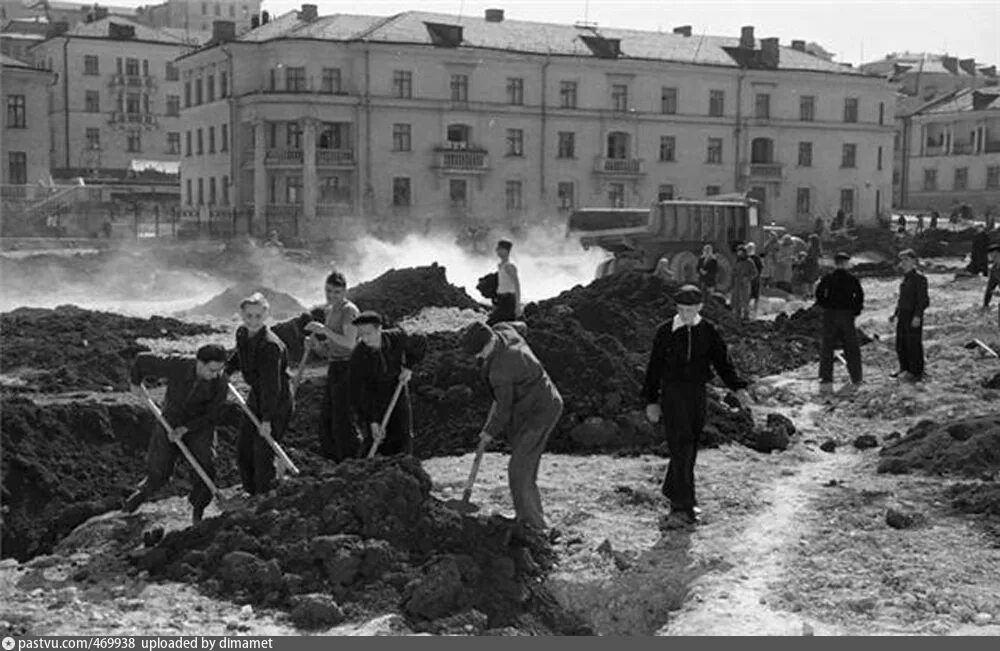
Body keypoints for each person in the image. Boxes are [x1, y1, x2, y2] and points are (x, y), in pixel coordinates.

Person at [642, 285, 752, 527]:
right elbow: (654, 368)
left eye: (690, 309)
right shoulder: (665, 332)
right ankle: (683, 505)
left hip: (697, 394)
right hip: (672, 394)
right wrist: (651, 401)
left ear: (700, 307)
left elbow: (723, 362)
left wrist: (738, 387)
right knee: (680, 444)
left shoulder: (708, 331)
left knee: (690, 445)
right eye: (681, 309)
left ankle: (674, 490)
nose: (686, 314)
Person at [459, 320, 563, 534]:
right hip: (534, 402)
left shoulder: (501, 370)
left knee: (519, 469)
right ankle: (530, 516)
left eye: (479, 353)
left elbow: (503, 409)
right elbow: (518, 325)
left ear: (488, 343)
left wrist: (488, 433)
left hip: (540, 413)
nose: (478, 358)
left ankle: (534, 527)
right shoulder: (502, 330)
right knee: (525, 467)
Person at [123, 345, 230, 524]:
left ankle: (198, 511)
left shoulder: (220, 382)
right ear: (199, 363)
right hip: (170, 419)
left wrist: (186, 428)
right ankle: (142, 494)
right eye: (212, 370)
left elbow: (213, 414)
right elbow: (142, 360)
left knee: (205, 465)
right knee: (159, 465)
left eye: (219, 370)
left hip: (199, 426)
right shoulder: (178, 365)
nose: (215, 375)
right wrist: (135, 382)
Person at [225, 293, 294, 495]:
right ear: (242, 315)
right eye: (249, 316)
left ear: (265, 315)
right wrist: (228, 369)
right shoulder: (242, 334)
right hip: (257, 396)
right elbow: (240, 355)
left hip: (277, 402)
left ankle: (264, 498)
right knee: (244, 449)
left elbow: (272, 386)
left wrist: (267, 419)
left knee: (262, 453)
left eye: (257, 316)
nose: (253, 321)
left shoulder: (270, 346)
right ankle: (251, 493)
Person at [349, 311, 428, 456]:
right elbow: (359, 391)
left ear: (379, 329)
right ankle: (374, 471)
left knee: (403, 433)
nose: (365, 339)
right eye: (361, 335)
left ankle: (404, 465)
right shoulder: (358, 356)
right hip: (373, 396)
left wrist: (409, 367)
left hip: (396, 387)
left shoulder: (396, 337)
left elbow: (420, 340)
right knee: (376, 438)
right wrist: (372, 420)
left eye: (368, 333)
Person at [304, 271, 362, 462]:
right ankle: (331, 459)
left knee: (342, 418)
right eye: (329, 291)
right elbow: (331, 347)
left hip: (349, 367)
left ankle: (350, 459)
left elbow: (349, 342)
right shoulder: (330, 311)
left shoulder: (348, 311)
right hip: (335, 366)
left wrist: (324, 330)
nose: (331, 295)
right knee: (328, 417)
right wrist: (316, 346)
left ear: (345, 292)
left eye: (337, 292)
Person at [815, 252, 864, 393]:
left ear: (835, 263)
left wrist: (825, 305)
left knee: (827, 347)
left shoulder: (828, 278)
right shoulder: (852, 279)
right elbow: (859, 296)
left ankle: (826, 378)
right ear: (846, 263)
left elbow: (819, 294)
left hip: (830, 315)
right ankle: (856, 377)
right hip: (847, 316)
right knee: (851, 347)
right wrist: (856, 311)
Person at [890, 249, 930, 383]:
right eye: (902, 260)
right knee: (901, 343)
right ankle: (904, 368)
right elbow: (902, 299)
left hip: (913, 315)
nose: (903, 263)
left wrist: (918, 316)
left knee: (913, 344)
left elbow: (923, 300)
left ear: (914, 261)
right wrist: (895, 314)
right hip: (903, 314)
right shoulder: (905, 278)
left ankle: (916, 372)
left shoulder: (920, 278)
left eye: (906, 259)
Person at [488, 239, 521, 326]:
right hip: (501, 299)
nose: (496, 251)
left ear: (505, 251)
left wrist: (518, 306)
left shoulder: (509, 266)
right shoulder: (500, 265)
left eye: (499, 249)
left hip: (508, 300)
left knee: (500, 325)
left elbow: (517, 285)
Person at [730, 245, 758, 322]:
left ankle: (746, 316)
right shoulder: (737, 261)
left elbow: (754, 273)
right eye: (738, 252)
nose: (739, 253)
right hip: (737, 284)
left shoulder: (749, 262)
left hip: (745, 285)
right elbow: (733, 271)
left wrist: (748, 278)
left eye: (741, 252)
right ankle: (737, 316)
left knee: (745, 301)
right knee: (736, 301)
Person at [982, 244, 1000, 329]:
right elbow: (990, 287)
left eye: (994, 255)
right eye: (990, 256)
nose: (992, 257)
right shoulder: (994, 270)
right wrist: (986, 304)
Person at [745, 242, 764, 315]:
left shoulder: (748, 258)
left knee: (750, 295)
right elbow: (761, 268)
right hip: (754, 279)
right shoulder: (756, 258)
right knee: (754, 296)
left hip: (750, 279)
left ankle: (750, 311)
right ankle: (753, 311)